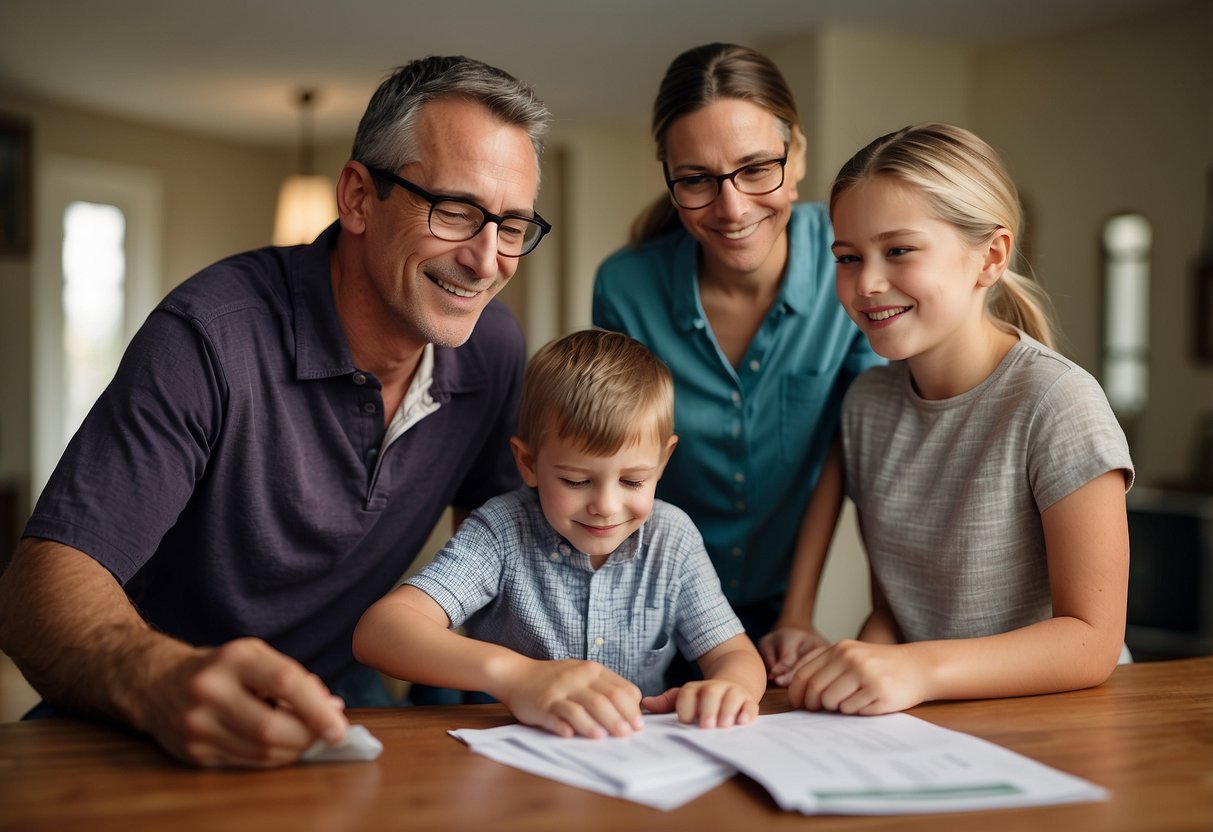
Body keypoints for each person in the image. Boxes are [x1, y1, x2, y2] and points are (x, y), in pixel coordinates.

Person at [0, 55, 553, 767]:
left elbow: (505, 551)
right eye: (455, 211)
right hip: (154, 705)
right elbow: (36, 591)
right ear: (357, 197)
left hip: (340, 699)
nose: (486, 260)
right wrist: (160, 677)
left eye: (512, 226)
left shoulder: (493, 349)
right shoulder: (209, 335)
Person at [782, 123, 1133, 714]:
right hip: (939, 723)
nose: (866, 283)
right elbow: (901, 611)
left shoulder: (1059, 402)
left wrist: (914, 668)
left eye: (898, 250)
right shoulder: (867, 405)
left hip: (1064, 720)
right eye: (848, 257)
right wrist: (856, 669)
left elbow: (1092, 641)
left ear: (990, 257)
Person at [592, 43, 882, 683]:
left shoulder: (853, 269)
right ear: (668, 176)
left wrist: (800, 613)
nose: (731, 208)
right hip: (652, 598)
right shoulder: (625, 288)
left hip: (782, 608)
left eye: (757, 169)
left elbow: (844, 449)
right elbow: (620, 458)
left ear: (797, 155)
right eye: (696, 179)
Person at [353, 330, 766, 738]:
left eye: (633, 481)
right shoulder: (501, 530)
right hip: (505, 760)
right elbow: (381, 631)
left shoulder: (673, 539)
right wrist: (517, 677)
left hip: (633, 760)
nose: (605, 505)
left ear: (662, 462)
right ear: (528, 462)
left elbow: (732, 652)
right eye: (574, 481)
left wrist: (732, 687)